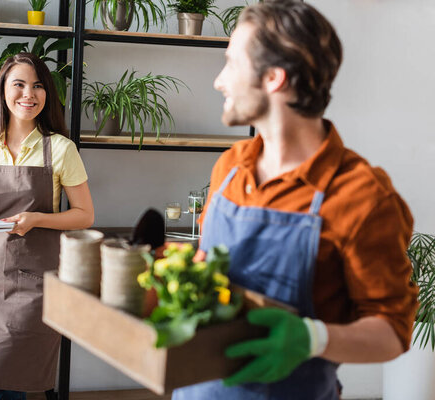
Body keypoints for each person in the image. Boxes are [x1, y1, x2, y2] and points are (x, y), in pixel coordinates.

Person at [172, 1, 418, 399]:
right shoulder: (231, 167)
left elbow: (392, 331)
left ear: (273, 78)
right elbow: (210, 269)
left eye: (231, 64)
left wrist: (312, 337)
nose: (219, 81)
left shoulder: (363, 197)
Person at [0, 53, 94, 400]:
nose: (29, 94)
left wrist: (37, 219)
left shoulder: (59, 149)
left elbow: (85, 214)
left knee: (4, 385)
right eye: (20, 84)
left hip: (34, 287)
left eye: (38, 86)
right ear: (3, 91)